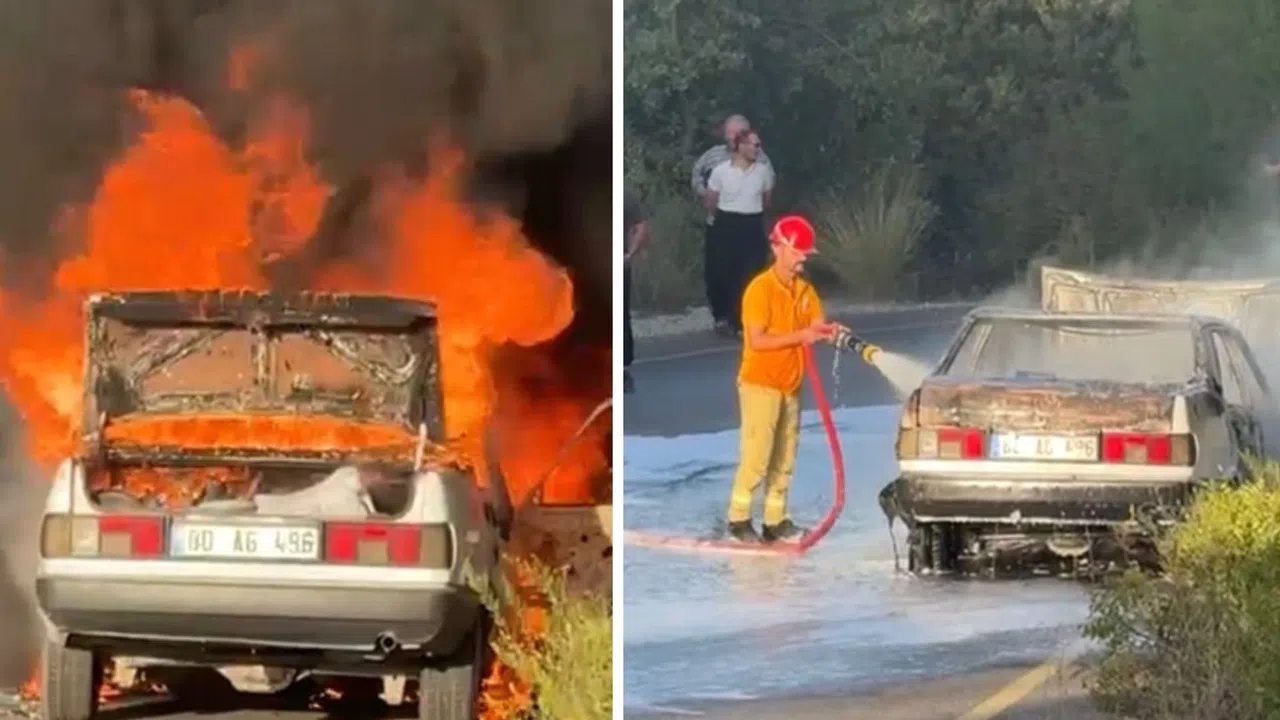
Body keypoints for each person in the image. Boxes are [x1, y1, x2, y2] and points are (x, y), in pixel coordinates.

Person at [725, 214, 849, 543]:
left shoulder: (805, 290)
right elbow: (757, 340)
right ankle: (738, 519)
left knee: (785, 456)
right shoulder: (760, 290)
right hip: (760, 384)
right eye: (798, 253)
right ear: (778, 248)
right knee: (757, 456)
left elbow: (815, 325)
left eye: (806, 254)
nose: (803, 260)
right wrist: (802, 336)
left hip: (791, 385)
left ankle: (774, 521)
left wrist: (829, 332)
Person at [691, 114, 773, 334]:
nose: (732, 136)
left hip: (752, 221)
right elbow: (706, 189)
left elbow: (766, 197)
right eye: (731, 133)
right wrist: (710, 207)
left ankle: (743, 319)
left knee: (751, 271)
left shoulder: (763, 166)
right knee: (722, 271)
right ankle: (723, 315)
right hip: (724, 221)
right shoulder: (717, 164)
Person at [623, 189, 648, 394]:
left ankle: (622, 369)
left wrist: (629, 254)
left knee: (621, 315)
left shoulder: (624, 195)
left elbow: (641, 226)